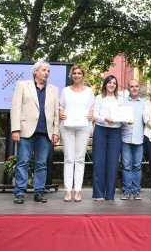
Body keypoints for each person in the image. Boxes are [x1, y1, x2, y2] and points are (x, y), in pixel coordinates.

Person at [11, 61, 59, 204]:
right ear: (35, 71)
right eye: (44, 70)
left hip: (45, 133)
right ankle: (19, 193)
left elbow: (56, 111)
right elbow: (15, 108)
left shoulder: (54, 89)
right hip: (26, 131)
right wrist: (15, 129)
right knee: (22, 162)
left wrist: (56, 132)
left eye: (48, 71)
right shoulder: (22, 85)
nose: (47, 73)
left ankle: (39, 192)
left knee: (41, 164)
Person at [59, 65, 94, 202]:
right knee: (68, 159)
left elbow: (92, 108)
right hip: (67, 127)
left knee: (79, 159)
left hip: (83, 127)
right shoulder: (65, 91)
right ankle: (68, 191)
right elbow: (61, 107)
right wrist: (61, 113)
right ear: (71, 75)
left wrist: (91, 114)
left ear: (83, 75)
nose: (77, 75)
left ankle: (78, 191)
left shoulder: (89, 91)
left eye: (79, 73)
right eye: (75, 73)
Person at [92, 75, 122, 201]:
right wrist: (104, 119)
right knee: (99, 163)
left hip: (115, 132)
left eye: (114, 83)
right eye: (109, 83)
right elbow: (95, 114)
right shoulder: (99, 98)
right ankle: (98, 194)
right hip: (101, 130)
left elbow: (123, 114)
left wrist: (128, 120)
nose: (111, 85)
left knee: (113, 164)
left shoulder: (121, 99)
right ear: (105, 84)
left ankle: (110, 195)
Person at [120, 79, 145, 200]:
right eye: (132, 86)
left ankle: (136, 191)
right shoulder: (122, 103)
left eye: (136, 86)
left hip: (140, 138)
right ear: (128, 88)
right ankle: (126, 191)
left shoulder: (145, 103)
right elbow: (118, 118)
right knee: (127, 166)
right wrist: (122, 119)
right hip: (126, 138)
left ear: (139, 88)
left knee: (137, 166)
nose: (134, 88)